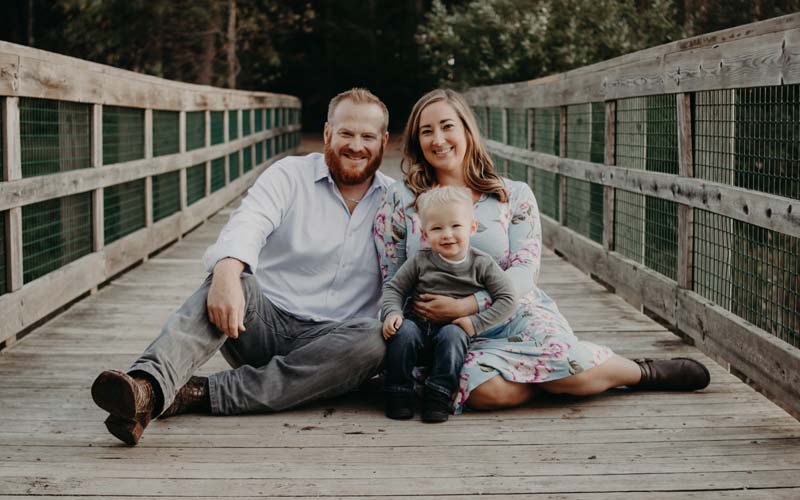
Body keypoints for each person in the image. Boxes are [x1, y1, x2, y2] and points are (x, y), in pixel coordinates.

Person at [374, 88, 710, 415]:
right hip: (444, 329)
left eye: (447, 126)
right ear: (417, 141)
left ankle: (640, 372)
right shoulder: (401, 199)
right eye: (426, 131)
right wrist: (415, 320)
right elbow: (392, 275)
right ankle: (556, 382)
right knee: (485, 393)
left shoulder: (512, 195)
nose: (438, 139)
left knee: (570, 362)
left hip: (512, 312)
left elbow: (524, 272)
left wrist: (469, 305)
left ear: (466, 130)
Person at [91, 88, 393, 445]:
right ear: (328, 133)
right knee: (236, 278)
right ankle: (147, 384)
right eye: (346, 133)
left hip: (332, 348)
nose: (355, 145)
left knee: (373, 340)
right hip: (261, 326)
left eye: (367, 136)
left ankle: (187, 394)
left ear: (384, 141)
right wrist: (227, 269)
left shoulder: (395, 201)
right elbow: (249, 222)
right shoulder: (290, 175)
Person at [381, 186, 517, 422]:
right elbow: (395, 287)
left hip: (455, 329)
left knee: (453, 336)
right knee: (404, 333)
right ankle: (399, 393)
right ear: (424, 233)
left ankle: (439, 395)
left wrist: (474, 323)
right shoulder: (421, 260)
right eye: (437, 228)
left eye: (456, 226)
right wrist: (392, 313)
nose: (447, 234)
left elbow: (508, 298)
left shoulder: (481, 263)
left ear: (472, 227)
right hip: (419, 326)